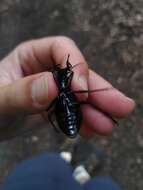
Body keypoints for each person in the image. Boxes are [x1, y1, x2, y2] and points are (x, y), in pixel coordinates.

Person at [0, 36, 135, 190]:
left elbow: (55, 108)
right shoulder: (58, 88)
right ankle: (79, 174)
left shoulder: (61, 89)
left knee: (50, 165)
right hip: (68, 114)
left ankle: (66, 164)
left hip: (31, 180)